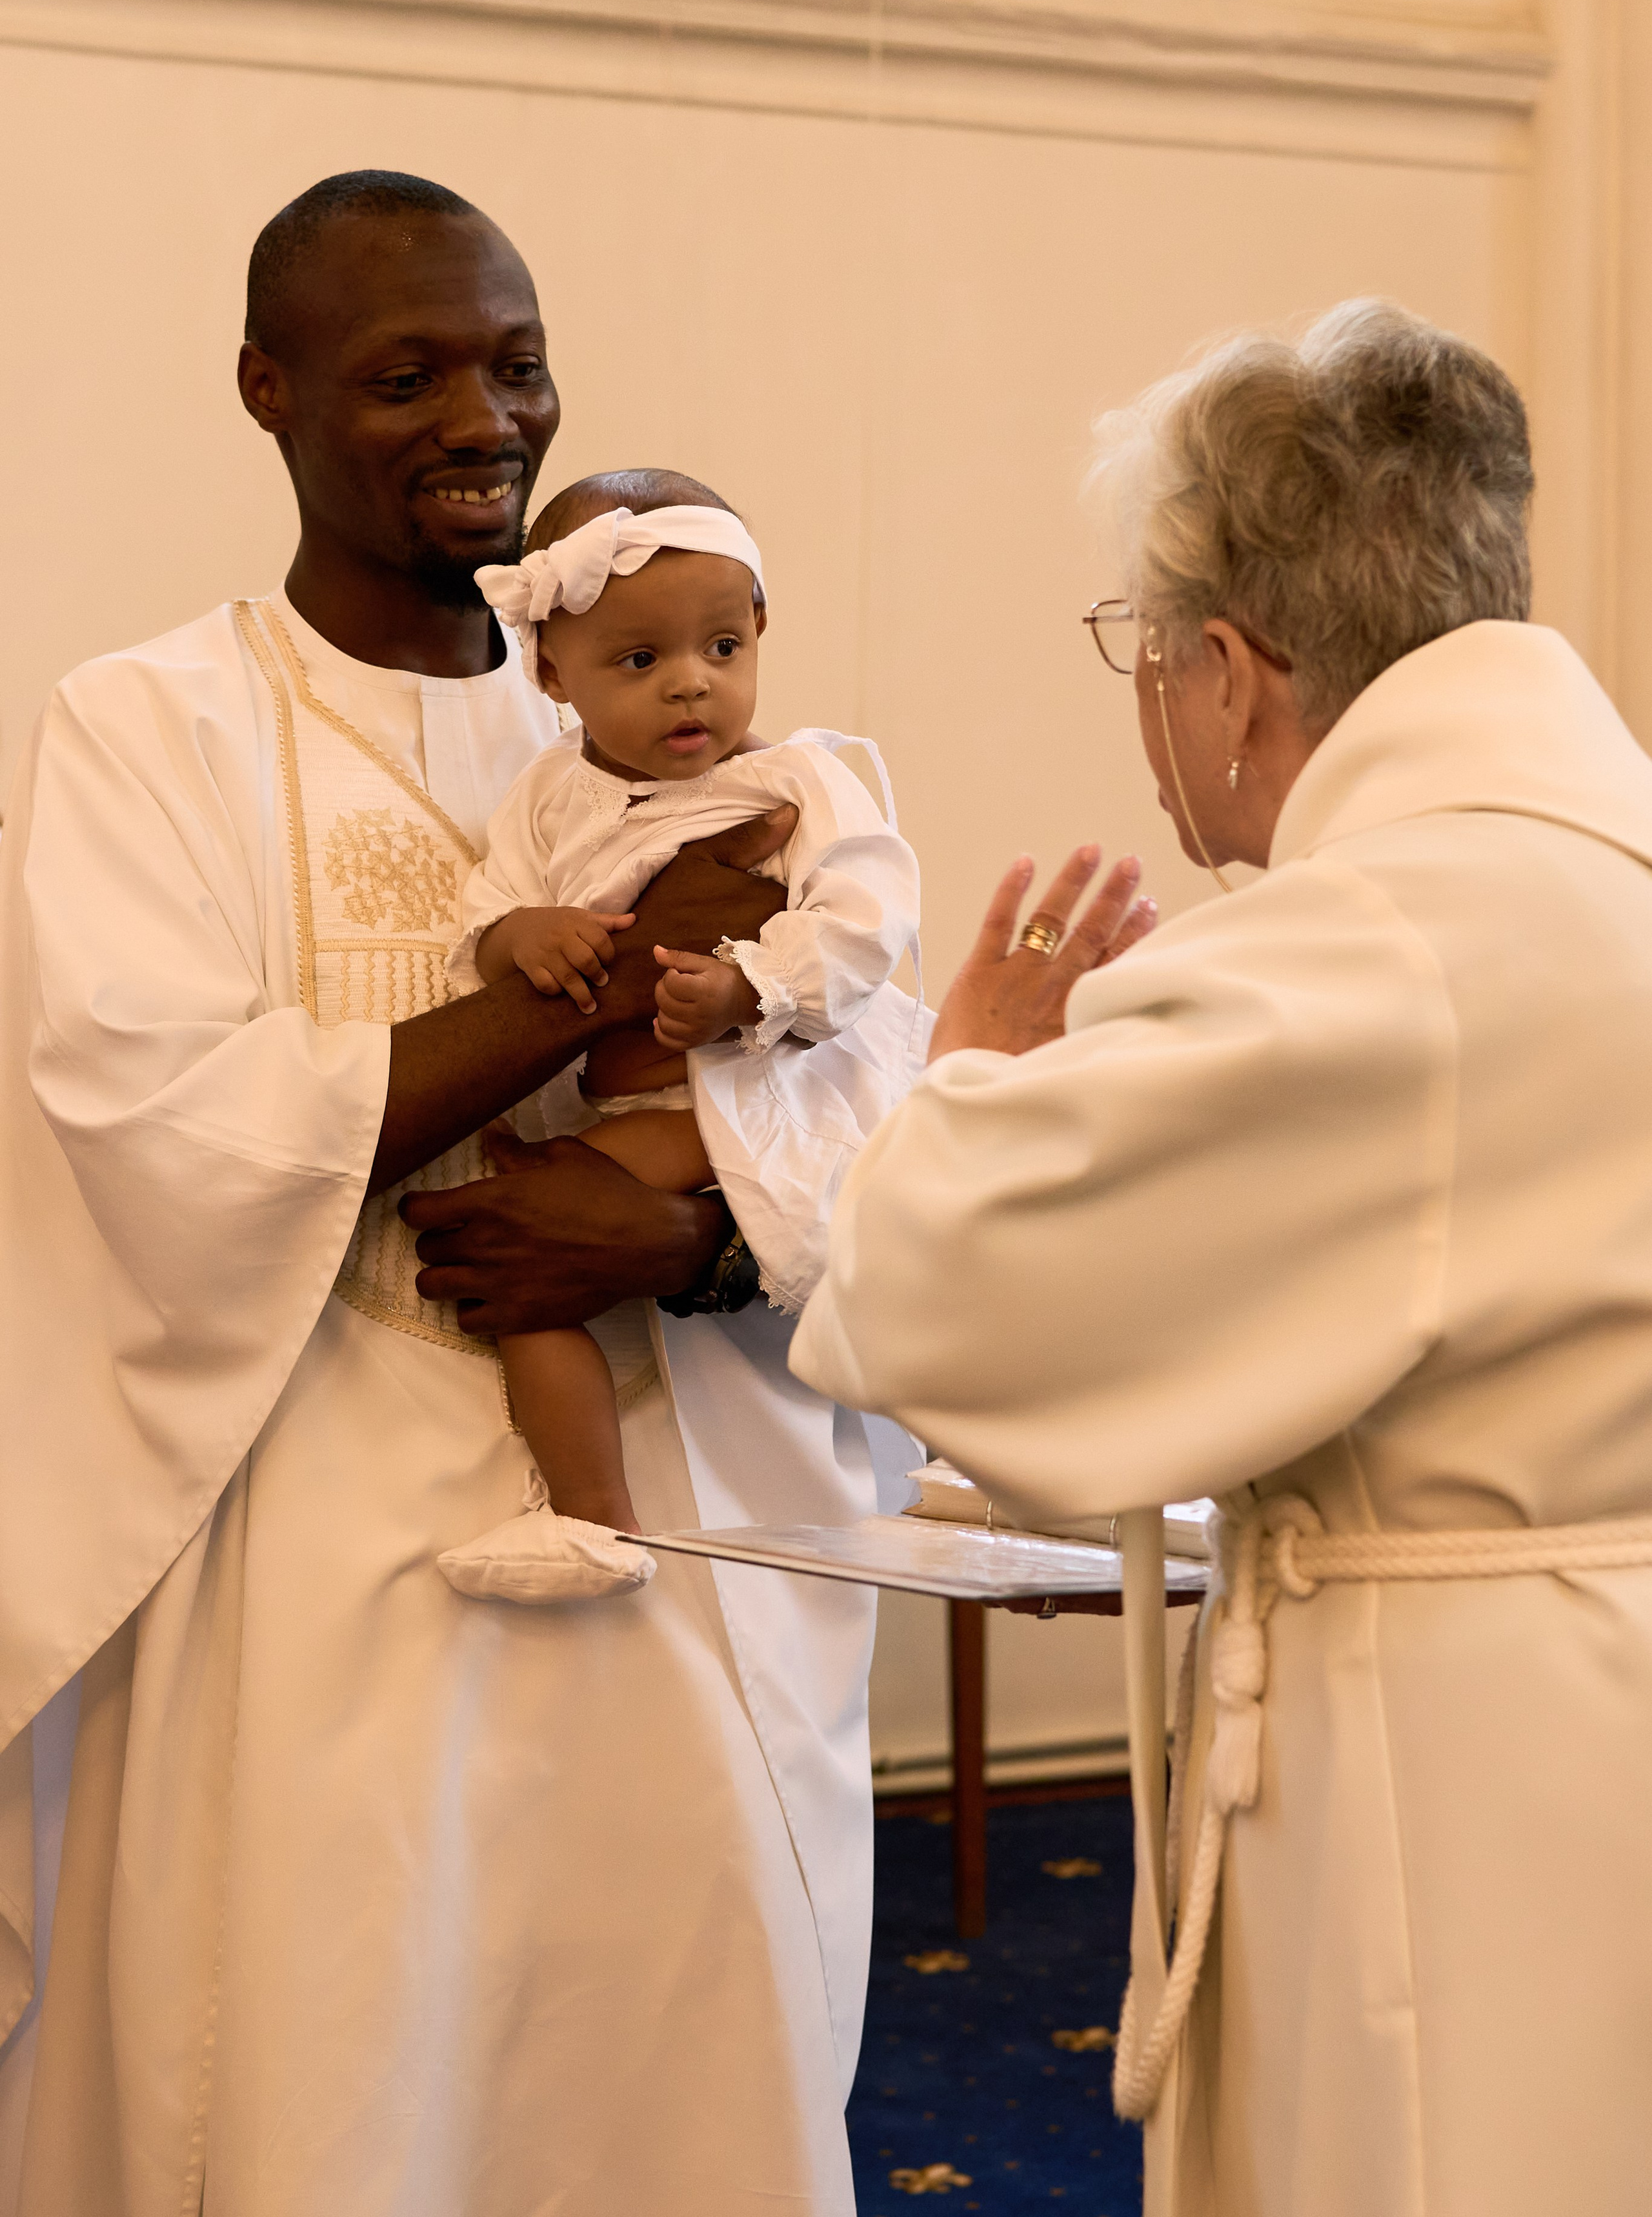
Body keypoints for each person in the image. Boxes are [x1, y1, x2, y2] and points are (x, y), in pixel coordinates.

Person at [0, 169, 916, 2216]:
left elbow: (851, 1086)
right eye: (405, 374)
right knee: (343, 2075)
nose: (482, 419)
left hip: (658, 1517)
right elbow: (155, 1123)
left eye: (516, 367)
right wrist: (617, 957)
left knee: (669, 2073)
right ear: (267, 388)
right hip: (307, 1530)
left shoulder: (646, 693)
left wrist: (682, 1231)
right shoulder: (151, 724)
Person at [792, 299, 1652, 2217]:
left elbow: (936, 1275)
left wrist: (969, 1078)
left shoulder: (1376, 942)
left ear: (1233, 670)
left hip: (1461, 1773)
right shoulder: (1606, 860)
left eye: (1138, 652)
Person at [436, 466, 922, 1603]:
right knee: (528, 1269)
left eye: (720, 647)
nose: (690, 689)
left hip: (752, 1093)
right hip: (629, 1096)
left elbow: (868, 913)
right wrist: (526, 935)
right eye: (640, 662)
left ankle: (593, 1519)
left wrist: (754, 987)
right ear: (553, 672)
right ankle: (589, 1514)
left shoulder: (795, 779)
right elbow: (482, 923)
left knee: (532, 1262)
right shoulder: (547, 797)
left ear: (759, 630)